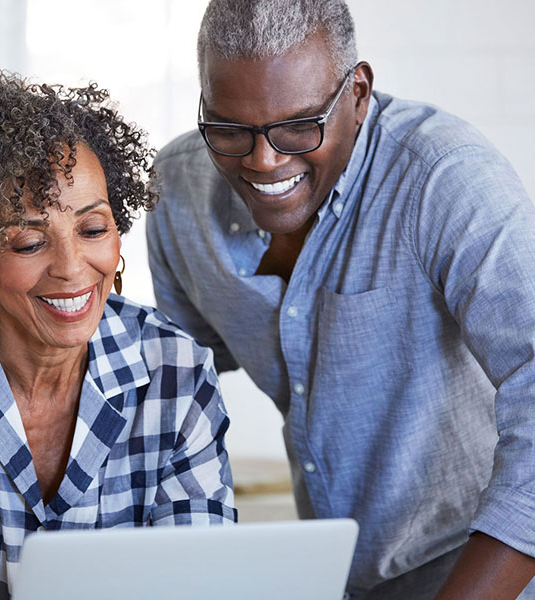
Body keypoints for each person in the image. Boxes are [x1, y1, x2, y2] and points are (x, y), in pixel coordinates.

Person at [145, 0, 535, 598]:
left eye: (299, 126)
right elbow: (173, 388)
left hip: (484, 565)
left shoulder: (445, 177)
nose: (264, 161)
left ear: (357, 93)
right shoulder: (176, 193)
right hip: (337, 572)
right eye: (228, 130)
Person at [0, 68, 236, 600]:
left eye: (93, 230)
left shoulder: (177, 372)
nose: (73, 269)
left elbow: (203, 581)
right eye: (30, 242)